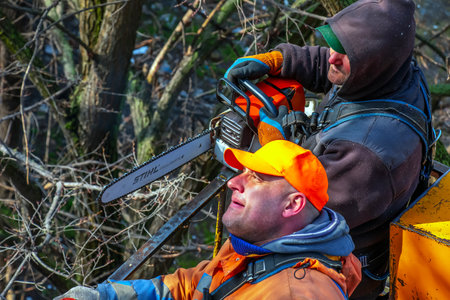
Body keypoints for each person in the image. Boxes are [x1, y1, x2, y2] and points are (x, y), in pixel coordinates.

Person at [224, 0, 437, 299]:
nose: (332, 58)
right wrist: (280, 60)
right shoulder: (389, 75)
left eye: (345, 53)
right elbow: (328, 63)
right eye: (334, 45)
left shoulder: (368, 154)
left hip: (330, 274)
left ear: (373, 63)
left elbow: (292, 211)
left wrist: (272, 143)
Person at [55, 140, 361, 299]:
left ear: (292, 205)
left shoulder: (296, 293)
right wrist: (103, 296)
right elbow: (194, 287)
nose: (233, 183)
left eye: (255, 178)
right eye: (241, 173)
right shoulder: (253, 248)